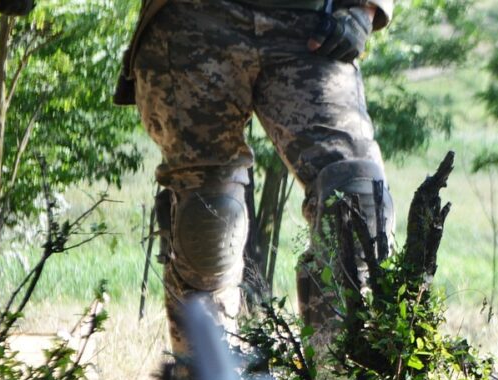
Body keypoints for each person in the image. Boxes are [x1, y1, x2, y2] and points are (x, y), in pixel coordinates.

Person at [114, 0, 395, 356]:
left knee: (357, 199)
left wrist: (366, 8)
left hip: (311, 23)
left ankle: (342, 379)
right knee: (206, 221)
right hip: (196, 19)